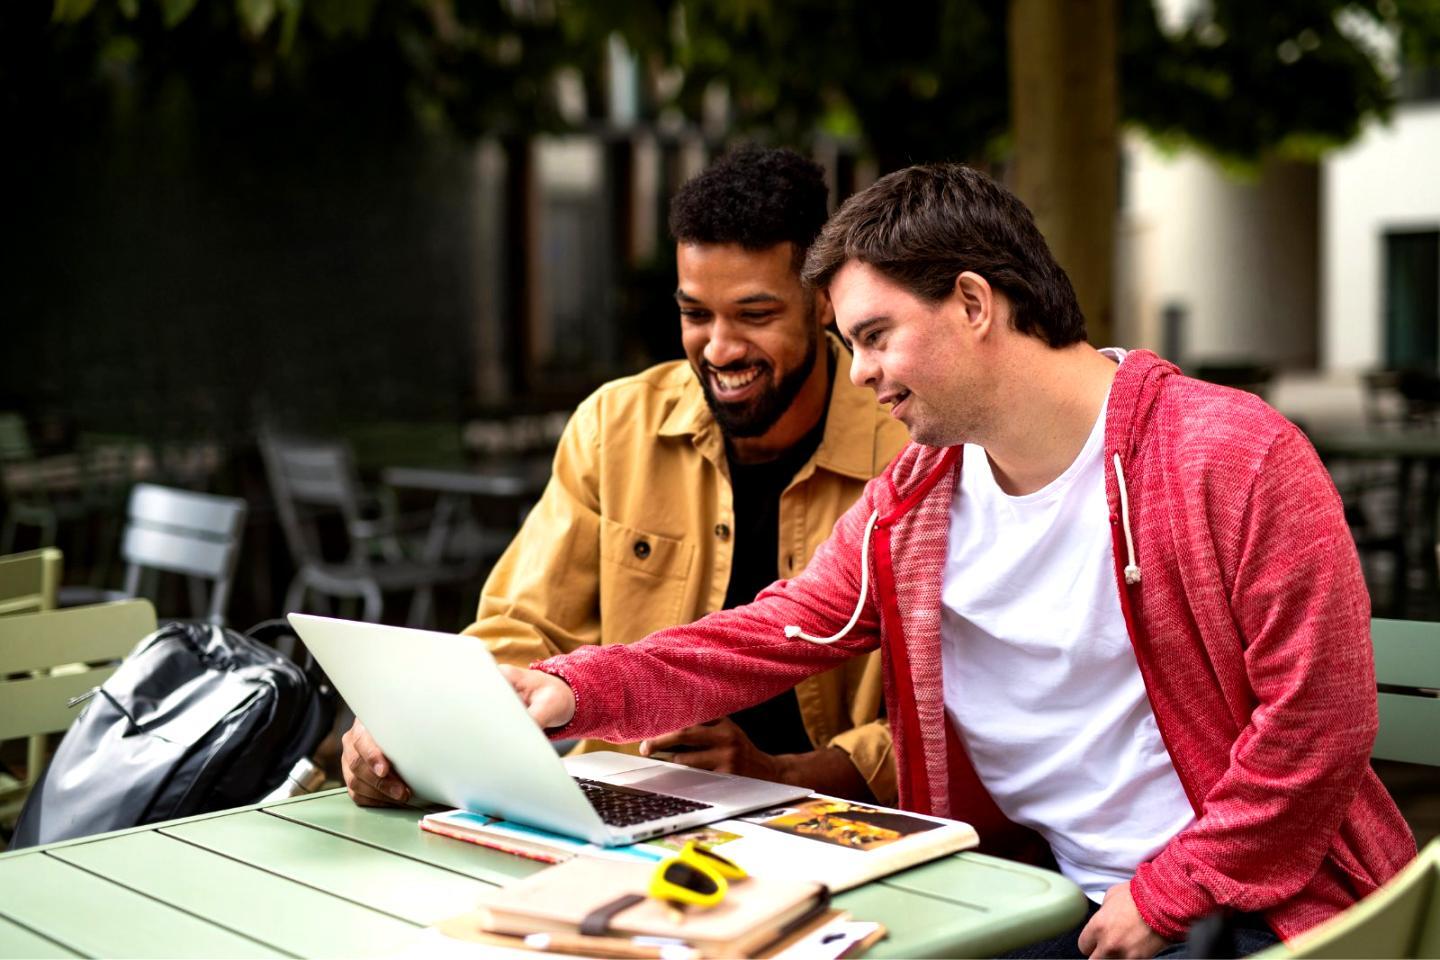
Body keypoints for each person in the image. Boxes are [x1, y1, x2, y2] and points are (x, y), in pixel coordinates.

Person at [498, 163, 1416, 958]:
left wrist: (1171, 889)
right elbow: (771, 631)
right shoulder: (920, 496)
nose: (856, 372)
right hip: (1035, 894)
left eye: (873, 335)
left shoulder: (1231, 455)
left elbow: (1319, 724)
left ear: (974, 303)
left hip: (1256, 906)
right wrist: (573, 689)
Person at [341, 148, 907, 809]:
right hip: (610, 809)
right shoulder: (617, 425)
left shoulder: (909, 450)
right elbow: (522, 626)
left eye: (755, 316)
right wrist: (420, 727)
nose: (720, 349)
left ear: (823, 303)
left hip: (831, 827)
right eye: (696, 315)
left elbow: (946, 718)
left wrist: (780, 775)